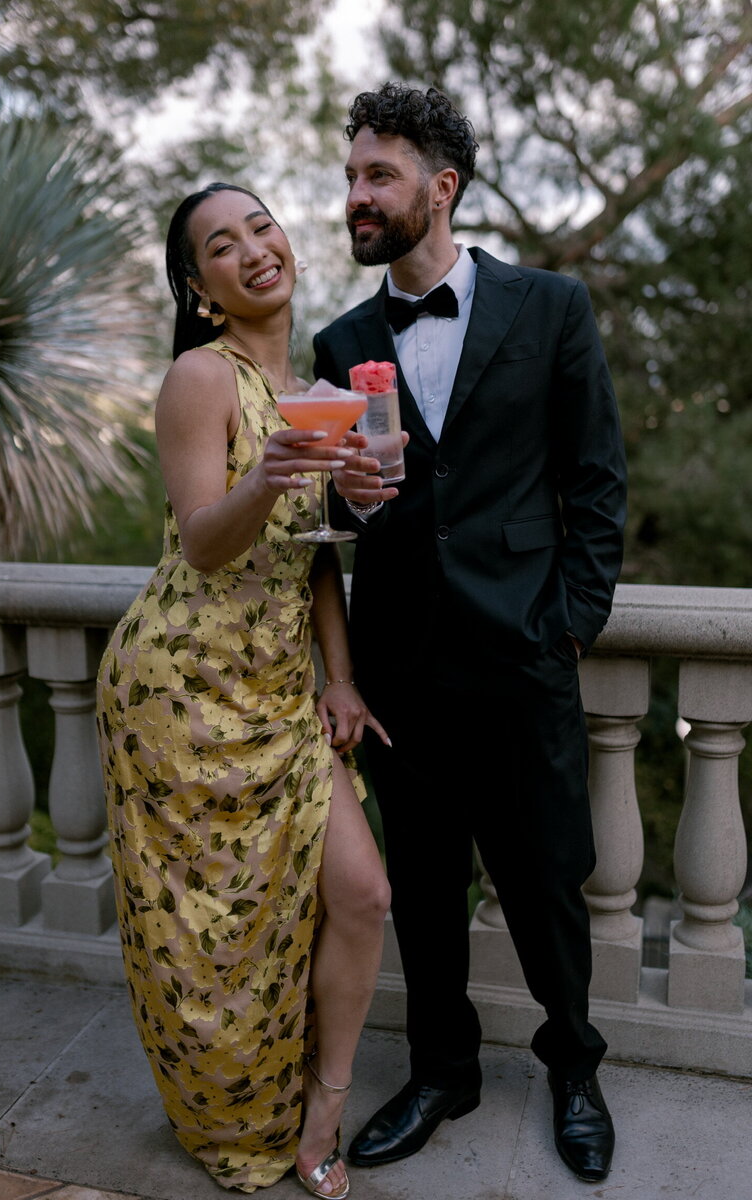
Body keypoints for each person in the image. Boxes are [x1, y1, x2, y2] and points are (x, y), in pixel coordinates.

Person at [312, 83, 627, 1184]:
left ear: (440, 188)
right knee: (426, 883)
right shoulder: (342, 338)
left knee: (546, 878)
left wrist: (568, 627)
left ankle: (572, 1068)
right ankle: (442, 1069)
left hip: (521, 655)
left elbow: (594, 484)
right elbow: (338, 520)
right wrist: (348, 497)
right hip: (401, 667)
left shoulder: (550, 308)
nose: (355, 194)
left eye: (377, 176)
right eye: (351, 175)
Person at [96, 181, 391, 1198]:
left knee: (361, 890)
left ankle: (322, 1114)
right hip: (178, 694)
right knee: (208, 939)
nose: (253, 248)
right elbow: (201, 542)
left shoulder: (312, 385)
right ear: (204, 288)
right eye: (223, 246)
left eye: (262, 226)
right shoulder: (198, 377)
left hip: (276, 697)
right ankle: (229, 1115)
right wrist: (265, 477)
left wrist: (339, 680)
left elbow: (313, 559)